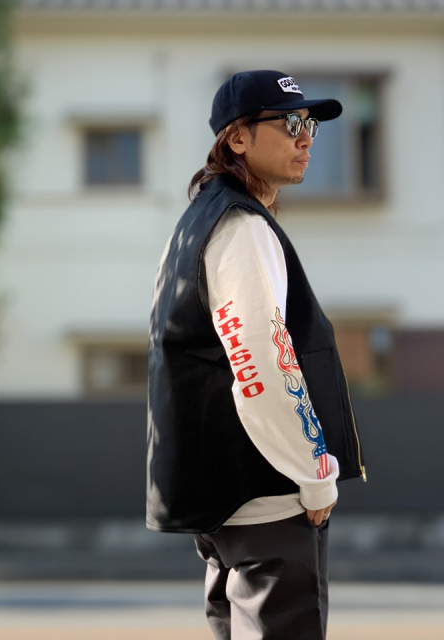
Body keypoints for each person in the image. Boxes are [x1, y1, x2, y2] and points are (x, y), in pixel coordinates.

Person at [147, 69, 366, 640]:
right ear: (237, 138)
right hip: (267, 498)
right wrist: (314, 473)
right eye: (290, 123)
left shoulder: (196, 224)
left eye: (310, 124)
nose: (306, 137)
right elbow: (264, 363)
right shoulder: (240, 227)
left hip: (227, 504)